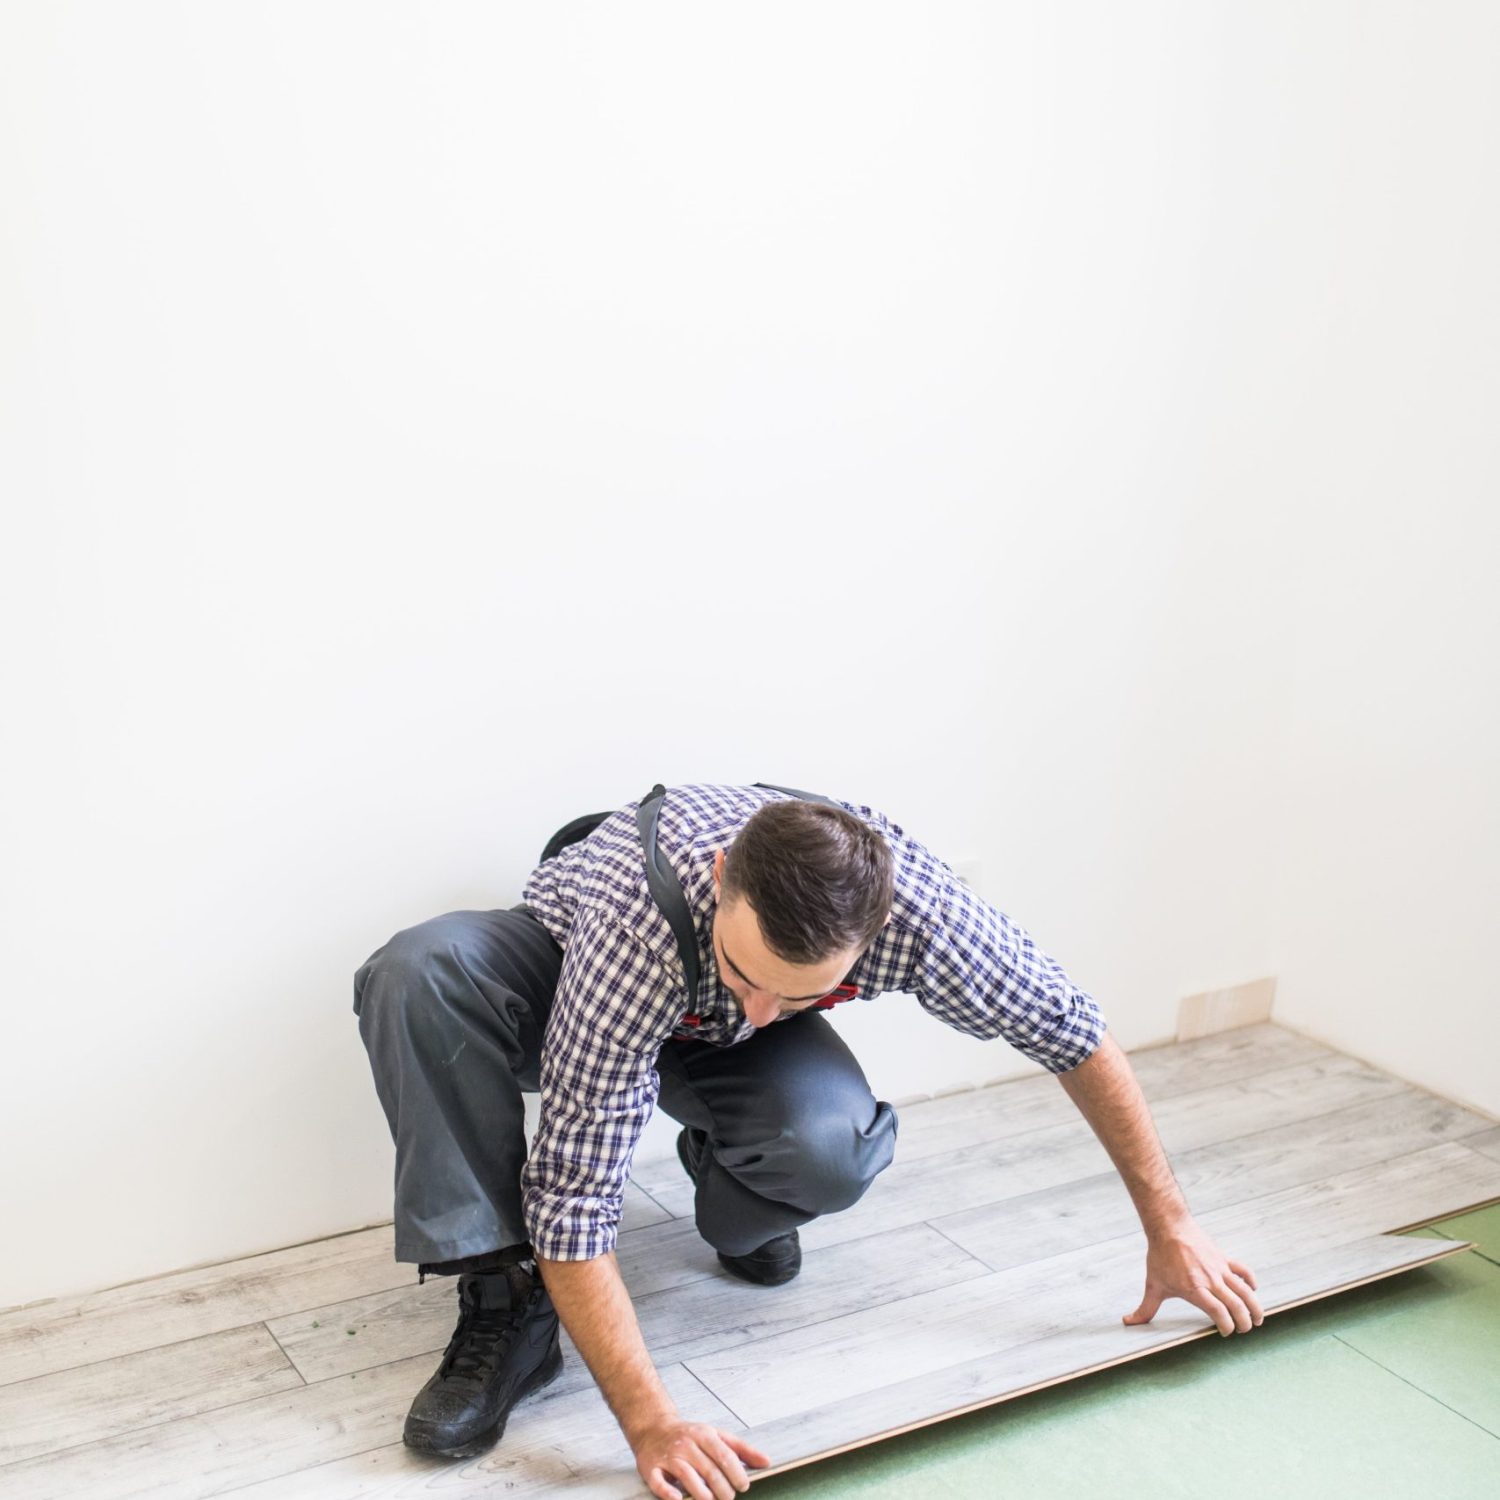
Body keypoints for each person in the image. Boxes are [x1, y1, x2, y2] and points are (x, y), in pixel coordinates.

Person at [353, 782, 1262, 1500]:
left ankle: (730, 1177)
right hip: (570, 976)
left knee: (827, 1150)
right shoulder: (637, 930)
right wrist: (652, 1424)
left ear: (873, 935)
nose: (759, 1012)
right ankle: (509, 1304)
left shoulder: (924, 914)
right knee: (418, 972)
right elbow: (576, 1195)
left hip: (694, 1002)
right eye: (750, 972)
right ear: (721, 876)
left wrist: (1171, 1226)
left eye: (795, 992)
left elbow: (1073, 1031)